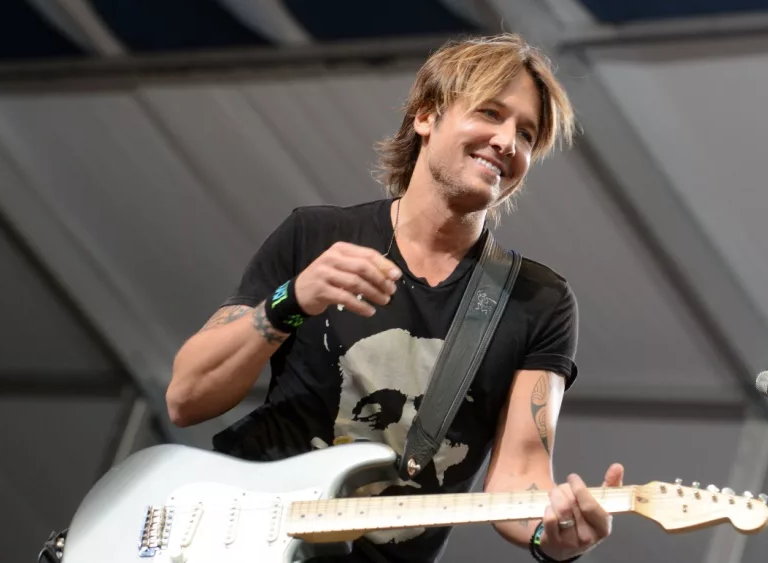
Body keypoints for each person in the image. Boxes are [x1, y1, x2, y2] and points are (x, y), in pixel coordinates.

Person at [166, 33, 624, 563]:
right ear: (426, 116)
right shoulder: (314, 237)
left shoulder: (537, 300)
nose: (507, 142)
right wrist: (290, 301)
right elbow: (186, 397)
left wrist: (553, 536)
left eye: (526, 133)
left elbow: (521, 474)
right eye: (490, 114)